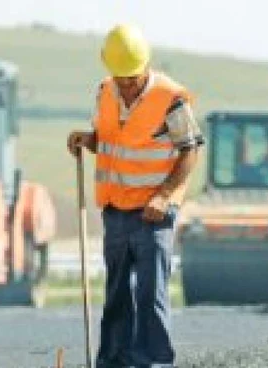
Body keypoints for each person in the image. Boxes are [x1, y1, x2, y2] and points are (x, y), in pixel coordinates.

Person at [67, 24, 203, 368]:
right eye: (120, 77)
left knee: (149, 292)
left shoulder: (170, 99)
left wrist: (165, 195)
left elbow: (189, 150)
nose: (126, 84)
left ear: (145, 65)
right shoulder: (105, 92)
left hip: (153, 212)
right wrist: (87, 140)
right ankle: (113, 360)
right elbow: (110, 140)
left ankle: (153, 362)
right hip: (115, 208)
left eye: (132, 77)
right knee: (116, 293)